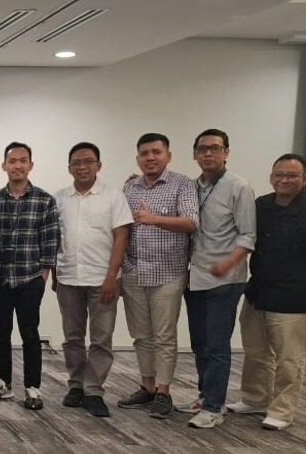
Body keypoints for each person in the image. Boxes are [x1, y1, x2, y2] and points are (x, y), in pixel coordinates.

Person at [227, 153, 306, 431]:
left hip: (296, 297)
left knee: (289, 359)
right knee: (255, 351)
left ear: (305, 179)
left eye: (292, 175)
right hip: (258, 293)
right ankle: (255, 398)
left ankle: (281, 410)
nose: (284, 180)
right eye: (279, 175)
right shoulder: (261, 205)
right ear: (271, 177)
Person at [178, 129, 256, 428]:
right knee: (199, 342)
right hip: (195, 276)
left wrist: (228, 263)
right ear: (195, 154)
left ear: (226, 152)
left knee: (217, 345)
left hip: (226, 278)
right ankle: (204, 396)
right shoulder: (192, 186)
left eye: (215, 148)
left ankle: (214, 406)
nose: (208, 153)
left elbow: (248, 235)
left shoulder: (239, 186)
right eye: (202, 149)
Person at [118, 133, 198, 419]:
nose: (150, 158)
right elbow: (121, 227)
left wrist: (155, 219)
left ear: (168, 156)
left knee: (164, 335)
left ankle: (164, 392)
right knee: (141, 335)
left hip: (168, 273)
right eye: (144, 153)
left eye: (156, 152)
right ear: (137, 158)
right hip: (134, 271)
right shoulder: (129, 187)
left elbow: (191, 222)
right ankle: (147, 386)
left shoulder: (183, 184)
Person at [53, 142, 132, 418]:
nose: (82, 167)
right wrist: (55, 273)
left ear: (99, 165)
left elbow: (121, 237)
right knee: (72, 338)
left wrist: (112, 276)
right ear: (69, 167)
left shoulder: (113, 196)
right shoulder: (59, 199)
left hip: (103, 280)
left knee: (101, 339)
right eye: (76, 162)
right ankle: (76, 385)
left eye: (88, 161)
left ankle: (94, 390)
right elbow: (53, 239)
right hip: (68, 278)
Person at [0, 142, 59, 411]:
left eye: (22, 160)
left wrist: (43, 275)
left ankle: (32, 387)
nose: (17, 165)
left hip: (30, 278)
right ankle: (2, 382)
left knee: (30, 333)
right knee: (0, 333)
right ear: (4, 165)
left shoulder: (44, 200)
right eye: (12, 161)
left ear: (30, 165)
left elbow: (50, 240)